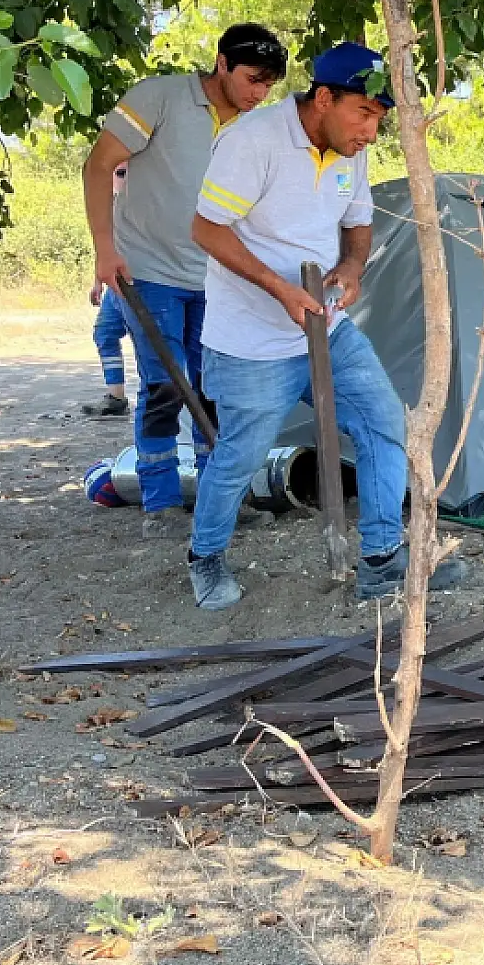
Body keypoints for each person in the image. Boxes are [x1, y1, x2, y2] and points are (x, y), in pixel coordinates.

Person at [183, 43, 411, 609]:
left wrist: (352, 267)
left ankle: (382, 560)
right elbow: (208, 230)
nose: (371, 133)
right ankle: (205, 557)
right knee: (241, 453)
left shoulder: (350, 152)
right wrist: (279, 287)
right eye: (364, 113)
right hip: (251, 343)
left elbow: (359, 224)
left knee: (384, 421)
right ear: (324, 97)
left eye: (379, 119)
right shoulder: (252, 141)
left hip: (326, 328)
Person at [83, 23, 288, 536]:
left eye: (269, 85)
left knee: (213, 387)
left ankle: (217, 499)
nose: (259, 93)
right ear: (222, 63)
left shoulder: (253, 127)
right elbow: (97, 166)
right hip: (148, 270)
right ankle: (160, 503)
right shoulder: (159, 97)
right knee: (165, 384)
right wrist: (104, 252)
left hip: (218, 279)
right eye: (253, 79)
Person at [82, 278, 130, 416]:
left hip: (147, 280)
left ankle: (166, 396)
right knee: (105, 332)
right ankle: (116, 397)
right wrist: (99, 281)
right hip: (117, 282)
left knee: (152, 339)